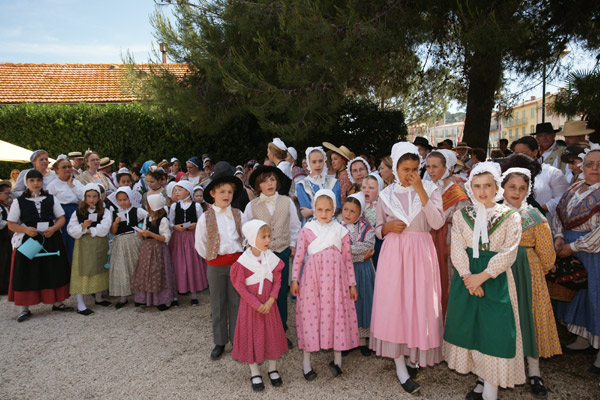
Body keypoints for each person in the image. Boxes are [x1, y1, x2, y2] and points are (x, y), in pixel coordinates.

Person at [444, 162, 525, 400]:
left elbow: (509, 252)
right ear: (470, 187)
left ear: (497, 186)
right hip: (466, 278)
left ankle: (490, 391)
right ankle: (481, 379)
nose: (482, 191)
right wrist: (468, 278)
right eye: (477, 186)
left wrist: (482, 277)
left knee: (494, 333)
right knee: (470, 330)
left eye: (488, 186)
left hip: (494, 278)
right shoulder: (461, 216)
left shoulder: (510, 216)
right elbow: (457, 248)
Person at [370, 142, 445, 394]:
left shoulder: (431, 189)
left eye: (414, 168)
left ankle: (414, 354)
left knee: (419, 303)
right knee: (395, 305)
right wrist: (387, 229)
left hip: (421, 252)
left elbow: (436, 222)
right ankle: (399, 365)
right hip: (394, 253)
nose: (410, 173)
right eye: (405, 169)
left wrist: (420, 189)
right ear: (395, 168)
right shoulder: (386, 195)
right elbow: (378, 228)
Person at [501, 167, 561, 398]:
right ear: (503, 188)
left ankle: (534, 371)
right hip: (500, 272)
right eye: (512, 187)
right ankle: (493, 371)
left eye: (522, 188)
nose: (516, 192)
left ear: (528, 191)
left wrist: (536, 271)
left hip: (529, 273)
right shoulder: (493, 214)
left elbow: (547, 254)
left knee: (530, 317)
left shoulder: (535, 217)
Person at [290, 189, 359, 380]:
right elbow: (298, 257)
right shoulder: (307, 230)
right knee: (311, 316)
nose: (323, 213)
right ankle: (306, 362)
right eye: (319, 209)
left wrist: (352, 284)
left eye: (328, 210)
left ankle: (337, 360)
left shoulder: (341, 231)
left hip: (337, 282)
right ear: (314, 209)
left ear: (334, 209)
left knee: (336, 315)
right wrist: (294, 279)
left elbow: (347, 260)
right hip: (313, 280)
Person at [553, 147, 600, 376]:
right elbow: (559, 214)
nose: (594, 169)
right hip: (570, 248)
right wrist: (559, 236)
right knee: (579, 295)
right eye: (590, 164)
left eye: (599, 165)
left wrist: (574, 247)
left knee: (596, 297)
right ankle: (583, 338)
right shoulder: (574, 187)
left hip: (594, 252)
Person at [244, 165, 300, 347]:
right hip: (261, 257)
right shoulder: (251, 206)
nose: (269, 183)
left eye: (272, 179)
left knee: (280, 292)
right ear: (258, 185)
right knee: (262, 293)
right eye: (265, 180)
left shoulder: (286, 201)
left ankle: (281, 330)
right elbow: (245, 231)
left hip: (282, 253)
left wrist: (292, 245)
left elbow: (294, 225)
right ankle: (263, 332)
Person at [7, 169, 72, 321]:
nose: (35, 183)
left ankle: (58, 302)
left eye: (38, 180)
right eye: (32, 181)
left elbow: (61, 218)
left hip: (51, 238)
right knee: (27, 272)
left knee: (53, 269)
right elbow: (11, 224)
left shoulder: (51, 198)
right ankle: (25, 308)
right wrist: (25, 230)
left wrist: (54, 229)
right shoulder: (19, 202)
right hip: (29, 240)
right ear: (26, 183)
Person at [231, 220, 288, 391]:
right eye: (263, 237)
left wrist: (271, 299)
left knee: (271, 335)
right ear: (251, 238)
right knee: (252, 336)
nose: (267, 240)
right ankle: (254, 370)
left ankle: (272, 368)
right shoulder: (242, 262)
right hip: (251, 308)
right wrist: (256, 304)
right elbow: (240, 287)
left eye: (269, 236)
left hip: (269, 306)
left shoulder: (271, 258)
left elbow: (278, 281)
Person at [195, 171, 246, 360]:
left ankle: (236, 339)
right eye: (222, 192)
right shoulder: (205, 218)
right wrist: (212, 258)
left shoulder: (239, 214)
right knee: (217, 303)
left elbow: (245, 238)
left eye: (229, 192)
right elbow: (200, 243)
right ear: (213, 194)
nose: (226, 196)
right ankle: (219, 341)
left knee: (236, 302)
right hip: (216, 265)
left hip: (236, 264)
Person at [425, 150, 470, 317]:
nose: (431, 171)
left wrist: (453, 245)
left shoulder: (456, 192)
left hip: (448, 241)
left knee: (447, 282)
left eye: (435, 167)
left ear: (446, 168)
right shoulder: (428, 187)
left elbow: (464, 224)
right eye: (428, 166)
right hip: (430, 238)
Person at [338, 192, 375, 356]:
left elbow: (368, 247)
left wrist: (349, 251)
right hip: (344, 272)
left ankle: (362, 339)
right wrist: (360, 255)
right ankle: (347, 339)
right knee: (347, 304)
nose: (348, 214)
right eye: (345, 209)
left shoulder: (368, 227)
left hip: (363, 272)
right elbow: (337, 248)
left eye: (353, 211)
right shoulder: (337, 227)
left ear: (360, 213)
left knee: (362, 301)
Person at [67, 183, 112, 315]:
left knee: (99, 269)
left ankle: (98, 297)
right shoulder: (78, 212)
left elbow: (105, 227)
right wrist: (83, 226)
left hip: (99, 244)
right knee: (82, 271)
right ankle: (81, 304)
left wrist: (88, 230)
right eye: (89, 196)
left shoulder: (105, 211)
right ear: (84, 197)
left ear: (99, 197)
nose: (91, 199)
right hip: (83, 246)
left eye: (94, 196)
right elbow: (71, 229)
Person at [131, 194, 177, 311]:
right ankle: (146, 298)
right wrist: (142, 234)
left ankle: (162, 299)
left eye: (148, 204)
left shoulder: (163, 220)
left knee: (159, 272)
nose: (146, 206)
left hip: (158, 249)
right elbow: (146, 232)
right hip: (147, 248)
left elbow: (165, 238)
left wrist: (150, 234)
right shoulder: (147, 218)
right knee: (146, 272)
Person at [169, 180, 208, 305]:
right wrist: (175, 227)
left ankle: (193, 293)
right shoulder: (174, 206)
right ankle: (176, 294)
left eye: (179, 190)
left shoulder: (196, 206)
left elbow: (202, 222)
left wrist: (195, 225)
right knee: (178, 263)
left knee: (192, 263)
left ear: (187, 191)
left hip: (192, 237)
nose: (177, 192)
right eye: (176, 190)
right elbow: (171, 222)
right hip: (179, 238)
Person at [109, 186, 147, 309]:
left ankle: (139, 295)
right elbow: (113, 231)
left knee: (135, 266)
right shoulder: (114, 213)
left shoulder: (137, 210)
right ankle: (123, 296)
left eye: (125, 199)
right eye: (120, 200)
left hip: (133, 240)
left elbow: (148, 218)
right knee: (122, 268)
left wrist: (142, 229)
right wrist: (115, 223)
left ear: (130, 198)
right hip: (120, 241)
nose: (122, 202)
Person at [513, 136, 569, 218]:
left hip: (545, 222)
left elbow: (562, 198)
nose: (519, 157)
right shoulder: (511, 174)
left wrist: (538, 210)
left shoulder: (552, 173)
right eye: (517, 154)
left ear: (535, 152)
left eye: (524, 153)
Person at [47, 157, 85, 262]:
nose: (67, 169)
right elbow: (49, 203)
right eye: (64, 167)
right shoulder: (53, 185)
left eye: (69, 166)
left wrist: (71, 185)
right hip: (62, 214)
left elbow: (84, 197)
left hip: (77, 212)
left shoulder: (76, 183)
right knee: (66, 241)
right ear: (56, 170)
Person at [296, 147, 341, 225]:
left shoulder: (333, 182)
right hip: (311, 227)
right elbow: (305, 212)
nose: (318, 165)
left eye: (320, 161)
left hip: (331, 226)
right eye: (314, 162)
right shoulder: (302, 185)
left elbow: (336, 208)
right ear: (308, 163)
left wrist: (311, 211)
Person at [361, 173, 384, 267]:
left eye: (371, 188)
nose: (366, 190)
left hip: (378, 244)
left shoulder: (382, 206)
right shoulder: (360, 206)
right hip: (363, 244)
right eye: (364, 187)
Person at [0, 181, 11, 294]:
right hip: (1, 238)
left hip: (5, 238)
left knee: (6, 261)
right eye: (7, 193)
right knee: (3, 261)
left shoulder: (4, 206)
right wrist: (9, 223)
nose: (9, 195)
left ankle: (5, 284)